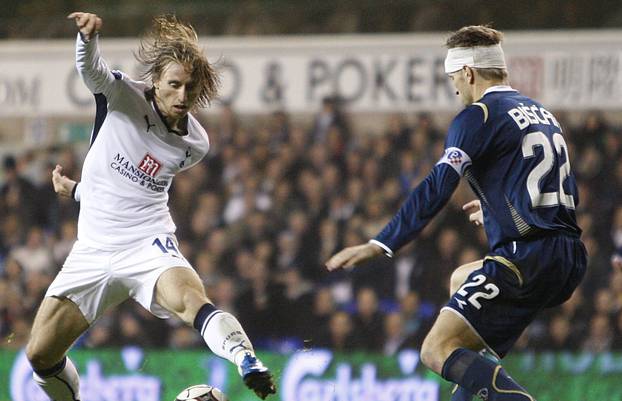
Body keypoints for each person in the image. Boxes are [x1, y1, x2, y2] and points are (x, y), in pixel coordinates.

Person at [326, 25, 586, 401]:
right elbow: (555, 191)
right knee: (461, 279)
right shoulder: (542, 113)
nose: (454, 89)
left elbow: (437, 186)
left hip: (526, 258)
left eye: (453, 78)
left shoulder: (477, 116)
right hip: (567, 256)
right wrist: (497, 207)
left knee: (434, 350)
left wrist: (380, 243)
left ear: (468, 73)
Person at [25, 12, 276, 400]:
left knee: (192, 301)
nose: (181, 96)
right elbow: (91, 71)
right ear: (156, 80)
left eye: (190, 89)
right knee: (40, 354)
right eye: (173, 85)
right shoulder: (123, 95)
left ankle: (246, 359)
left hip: (147, 244)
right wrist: (87, 39)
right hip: (91, 250)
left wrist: (79, 191)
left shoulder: (195, 144)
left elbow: (136, 188)